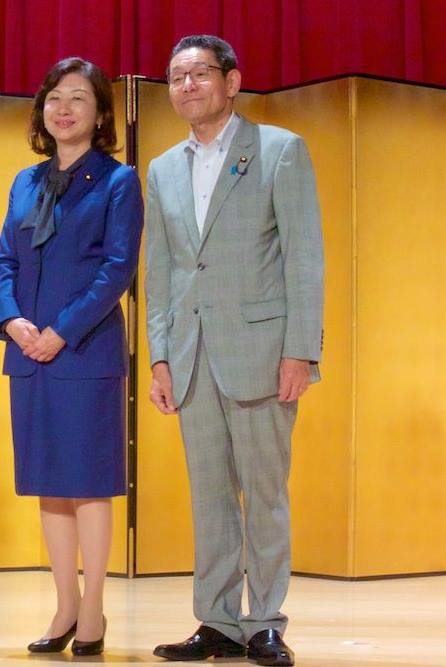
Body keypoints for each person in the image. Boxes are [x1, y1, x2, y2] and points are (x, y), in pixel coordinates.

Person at [145, 35, 323, 667]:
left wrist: (301, 349)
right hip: (191, 358)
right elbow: (161, 270)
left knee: (264, 493)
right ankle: (218, 622)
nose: (187, 84)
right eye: (176, 76)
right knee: (210, 497)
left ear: (231, 81)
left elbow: (305, 258)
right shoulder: (162, 168)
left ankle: (266, 622)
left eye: (199, 73)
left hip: (263, 352)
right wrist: (160, 356)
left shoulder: (277, 151)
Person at [0, 57, 143, 657]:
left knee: (87, 484)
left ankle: (96, 610)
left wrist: (62, 329)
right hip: (29, 354)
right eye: (55, 97)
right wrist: (11, 320)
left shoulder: (118, 180)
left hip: (84, 352)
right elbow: (4, 260)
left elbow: (117, 270)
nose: (64, 108)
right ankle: (64, 606)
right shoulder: (25, 182)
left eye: (78, 98)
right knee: (49, 485)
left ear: (101, 114)